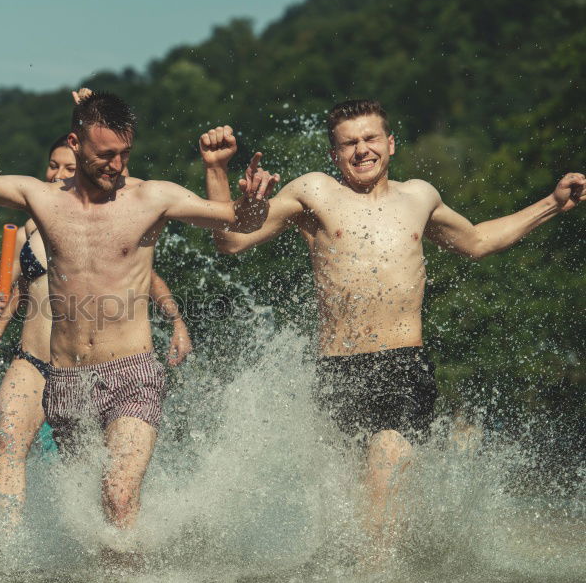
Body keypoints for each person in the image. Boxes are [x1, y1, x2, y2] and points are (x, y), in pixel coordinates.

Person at [211, 99, 584, 551]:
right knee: (350, 509)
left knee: (386, 463)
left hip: (403, 366)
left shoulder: (419, 197)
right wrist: (220, 175)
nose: (361, 150)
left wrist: (552, 204)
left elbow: (479, 240)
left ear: (390, 144)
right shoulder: (314, 192)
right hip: (337, 371)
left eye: (370, 139)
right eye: (349, 143)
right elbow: (231, 240)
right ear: (334, 154)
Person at [0, 81, 261, 540]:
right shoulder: (43, 200)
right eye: (105, 154)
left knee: (118, 497)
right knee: (91, 522)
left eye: (124, 153)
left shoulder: (153, 197)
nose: (117, 165)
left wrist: (251, 200)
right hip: (66, 382)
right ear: (75, 143)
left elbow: (234, 222)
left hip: (133, 373)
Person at [0, 134, 193, 522]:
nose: (58, 174)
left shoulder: (96, 221)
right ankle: (1, 555)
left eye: (68, 168)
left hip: (81, 368)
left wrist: (176, 319)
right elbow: (15, 289)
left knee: (96, 479)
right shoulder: (30, 225)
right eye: (53, 166)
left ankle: (116, 548)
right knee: (8, 444)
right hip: (32, 361)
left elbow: (147, 275)